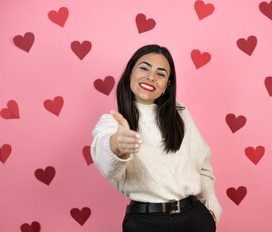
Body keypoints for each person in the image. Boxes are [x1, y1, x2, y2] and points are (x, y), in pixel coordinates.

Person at [90, 44, 222, 232]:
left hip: (194, 219)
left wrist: (212, 208)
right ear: (130, 73)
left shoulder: (180, 114)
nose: (151, 77)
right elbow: (109, 167)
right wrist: (117, 147)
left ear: (167, 84)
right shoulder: (112, 123)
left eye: (161, 73)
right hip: (146, 223)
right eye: (144, 68)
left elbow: (203, 166)